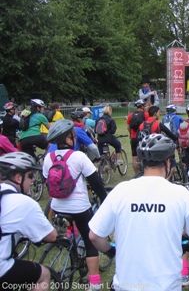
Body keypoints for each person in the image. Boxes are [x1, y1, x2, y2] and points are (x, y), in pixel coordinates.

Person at [89, 134, 189, 291]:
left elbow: (94, 235)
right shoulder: (180, 194)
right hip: (166, 286)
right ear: (168, 163)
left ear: (142, 163)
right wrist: (187, 246)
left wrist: (110, 250)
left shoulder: (121, 190)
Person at [43, 120, 107, 290]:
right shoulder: (78, 156)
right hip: (79, 207)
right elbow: (96, 183)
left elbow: (46, 181)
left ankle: (72, 249)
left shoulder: (48, 158)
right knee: (90, 241)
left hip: (56, 206)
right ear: (69, 138)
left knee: (73, 230)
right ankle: (95, 285)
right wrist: (105, 200)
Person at [0, 152, 57, 291]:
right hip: (1, 267)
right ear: (18, 178)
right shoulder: (23, 202)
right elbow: (51, 236)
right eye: (30, 176)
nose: (33, 180)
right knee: (44, 275)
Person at [126, 99, 148, 174]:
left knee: (134, 158)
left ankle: (136, 174)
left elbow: (128, 127)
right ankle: (144, 173)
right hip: (143, 138)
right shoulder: (145, 114)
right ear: (142, 106)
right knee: (143, 157)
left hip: (133, 137)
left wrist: (131, 133)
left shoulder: (130, 115)